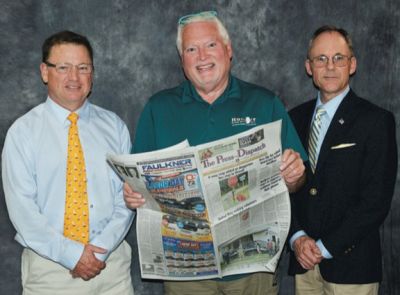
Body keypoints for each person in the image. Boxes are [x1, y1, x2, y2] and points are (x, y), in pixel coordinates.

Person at [124, 11, 307, 295]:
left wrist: (294, 175)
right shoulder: (157, 109)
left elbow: (295, 184)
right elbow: (137, 185)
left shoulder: (265, 103)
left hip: (252, 268)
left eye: (210, 45)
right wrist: (133, 194)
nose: (201, 56)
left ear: (228, 50)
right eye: (191, 49)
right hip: (187, 272)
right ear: (182, 59)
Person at [2, 31, 135, 294]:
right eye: (63, 67)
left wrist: (99, 251)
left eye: (83, 68)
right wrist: (73, 255)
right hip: (50, 271)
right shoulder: (23, 132)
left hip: (111, 269)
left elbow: (127, 199)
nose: (74, 77)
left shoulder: (115, 127)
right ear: (44, 71)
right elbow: (23, 212)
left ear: (92, 74)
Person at [288, 25, 398, 295]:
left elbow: (375, 201)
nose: (330, 66)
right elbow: (282, 188)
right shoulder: (294, 118)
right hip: (304, 264)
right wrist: (297, 238)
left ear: (352, 64)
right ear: (308, 67)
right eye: (320, 59)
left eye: (339, 58)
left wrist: (324, 248)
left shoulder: (376, 121)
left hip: (351, 266)